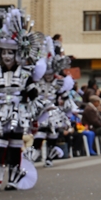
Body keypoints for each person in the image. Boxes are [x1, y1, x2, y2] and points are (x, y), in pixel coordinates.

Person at [0, 7, 45, 191]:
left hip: (18, 113)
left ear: (17, 54)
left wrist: (45, 110)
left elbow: (32, 94)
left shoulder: (26, 73)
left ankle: (13, 179)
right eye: (4, 53)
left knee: (14, 145)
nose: (6, 56)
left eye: (10, 53)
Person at [29, 36, 75, 167]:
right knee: (40, 133)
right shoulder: (37, 82)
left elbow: (66, 97)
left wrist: (69, 113)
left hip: (54, 111)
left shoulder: (60, 82)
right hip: (40, 110)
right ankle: (33, 155)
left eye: (50, 74)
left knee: (53, 134)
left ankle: (49, 157)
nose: (48, 76)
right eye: (46, 74)